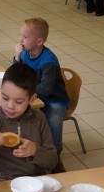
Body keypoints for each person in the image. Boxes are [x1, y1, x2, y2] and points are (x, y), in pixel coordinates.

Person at [13, 18, 68, 155]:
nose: (20, 40)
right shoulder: (26, 54)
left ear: (39, 41)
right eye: (21, 36)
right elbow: (17, 75)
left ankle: (55, 152)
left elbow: (46, 88)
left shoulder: (48, 60)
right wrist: (17, 58)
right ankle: (30, 147)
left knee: (53, 119)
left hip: (55, 99)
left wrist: (25, 92)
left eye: (25, 37)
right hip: (35, 96)